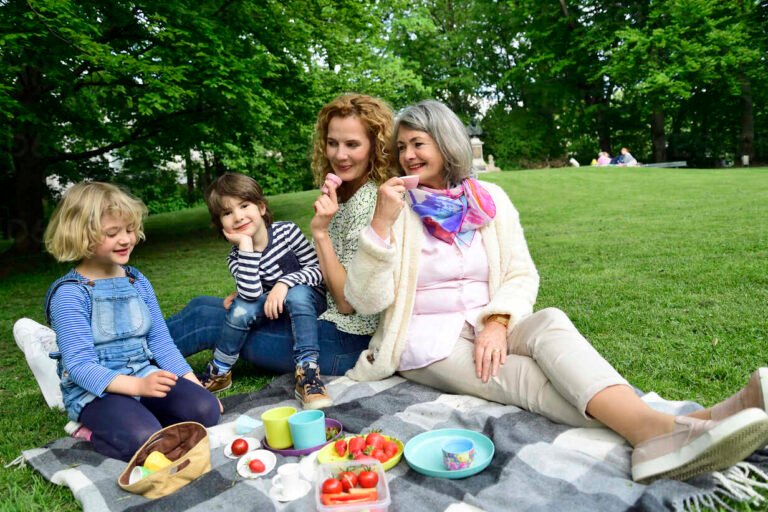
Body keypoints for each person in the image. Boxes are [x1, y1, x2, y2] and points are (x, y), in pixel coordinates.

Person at [342, 99, 768, 483]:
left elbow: (521, 274)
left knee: (552, 321)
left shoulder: (488, 200)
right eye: (401, 148)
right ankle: (683, 426)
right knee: (529, 380)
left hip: (485, 319)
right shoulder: (394, 206)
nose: (408, 155)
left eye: (418, 143)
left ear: (447, 143)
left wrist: (498, 319)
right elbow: (365, 300)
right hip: (426, 340)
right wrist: (380, 225)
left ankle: (676, 430)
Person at [166, 93, 395, 379]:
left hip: (344, 342)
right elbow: (315, 273)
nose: (339, 155)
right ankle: (124, 357)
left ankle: (123, 366)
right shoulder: (344, 194)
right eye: (332, 143)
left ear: (375, 147)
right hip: (316, 318)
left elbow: (348, 303)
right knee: (203, 304)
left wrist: (320, 233)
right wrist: (263, 290)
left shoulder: (371, 202)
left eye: (352, 144)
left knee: (208, 320)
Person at [42, 182, 220, 462]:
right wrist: (137, 388)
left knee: (206, 412)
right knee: (143, 441)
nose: (126, 239)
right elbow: (79, 366)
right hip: (95, 392)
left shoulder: (136, 280)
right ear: (81, 236)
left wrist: (194, 385)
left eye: (129, 230)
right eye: (112, 233)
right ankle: (87, 430)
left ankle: (143, 415)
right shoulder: (70, 294)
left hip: (143, 374)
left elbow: (160, 341)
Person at [198, 173, 330, 409]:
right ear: (222, 225)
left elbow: (317, 270)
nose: (238, 217)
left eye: (244, 206)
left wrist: (284, 283)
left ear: (260, 207)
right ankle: (220, 370)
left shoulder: (287, 232)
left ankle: (308, 372)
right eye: (227, 213)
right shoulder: (236, 258)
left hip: (308, 300)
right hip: (273, 309)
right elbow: (250, 296)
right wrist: (246, 246)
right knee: (239, 307)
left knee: (297, 294)